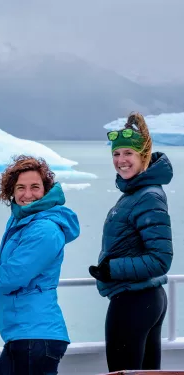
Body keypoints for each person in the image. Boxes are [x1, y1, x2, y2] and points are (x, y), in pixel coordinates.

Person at [0, 155, 80, 375]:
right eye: (21, 187)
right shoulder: (25, 221)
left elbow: (12, 277)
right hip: (26, 334)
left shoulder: (44, 229)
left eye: (35, 187)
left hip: (36, 335)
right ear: (11, 190)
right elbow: (22, 265)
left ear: (46, 190)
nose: (27, 194)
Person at [88, 112, 173, 372]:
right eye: (116, 154)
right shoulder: (135, 193)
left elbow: (161, 259)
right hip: (145, 299)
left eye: (128, 154)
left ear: (144, 156)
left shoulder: (147, 196)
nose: (121, 161)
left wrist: (112, 269)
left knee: (121, 371)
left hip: (134, 301)